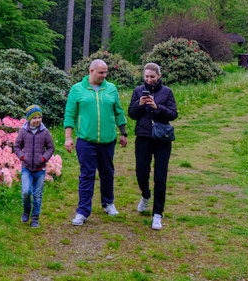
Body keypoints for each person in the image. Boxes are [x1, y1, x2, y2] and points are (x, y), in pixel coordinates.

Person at [63, 59, 128, 226]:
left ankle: (108, 203)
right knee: (87, 175)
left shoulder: (111, 88)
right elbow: (70, 114)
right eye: (101, 72)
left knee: (107, 172)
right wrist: (68, 138)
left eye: (106, 72)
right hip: (86, 141)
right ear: (91, 71)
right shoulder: (77, 89)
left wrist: (123, 132)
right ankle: (82, 211)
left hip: (108, 140)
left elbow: (118, 111)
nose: (104, 75)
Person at [128, 62, 178, 230]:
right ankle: (146, 194)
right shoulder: (138, 91)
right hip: (143, 137)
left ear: (159, 76)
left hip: (162, 139)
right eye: (146, 77)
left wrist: (157, 107)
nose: (149, 80)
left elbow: (173, 114)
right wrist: (140, 104)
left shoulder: (167, 92)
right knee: (141, 173)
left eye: (152, 77)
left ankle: (157, 213)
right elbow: (131, 114)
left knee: (160, 177)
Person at [14, 105, 55, 228]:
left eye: (39, 117)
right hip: (26, 168)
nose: (37, 120)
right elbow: (17, 147)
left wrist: (43, 158)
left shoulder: (44, 132)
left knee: (37, 195)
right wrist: (23, 157)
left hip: (40, 170)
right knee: (25, 192)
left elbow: (51, 148)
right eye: (34, 118)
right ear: (29, 119)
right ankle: (27, 209)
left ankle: (35, 217)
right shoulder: (23, 132)